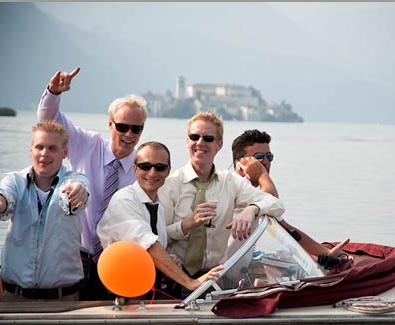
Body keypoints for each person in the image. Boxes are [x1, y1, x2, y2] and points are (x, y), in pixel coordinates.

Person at [37, 66, 148, 300]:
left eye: (136, 129)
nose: (129, 134)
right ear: (110, 125)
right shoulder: (87, 144)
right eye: (122, 127)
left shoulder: (145, 168)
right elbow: (49, 123)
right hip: (77, 258)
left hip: (119, 262)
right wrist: (54, 93)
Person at [158, 112, 285, 296]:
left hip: (216, 279)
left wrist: (252, 209)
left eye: (208, 138)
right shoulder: (170, 185)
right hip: (175, 279)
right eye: (194, 137)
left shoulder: (230, 182)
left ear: (219, 145)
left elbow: (276, 204)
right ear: (187, 141)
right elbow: (159, 238)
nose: (200, 143)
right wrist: (187, 223)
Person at [0, 121, 90, 301]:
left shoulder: (75, 180)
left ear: (65, 153)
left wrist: (77, 192)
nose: (44, 153)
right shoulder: (14, 180)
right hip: (15, 297)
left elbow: (77, 190)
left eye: (52, 148)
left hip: (63, 299)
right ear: (31, 151)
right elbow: (4, 197)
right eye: (39, 147)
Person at [97, 141, 223, 299]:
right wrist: (190, 282)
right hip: (121, 295)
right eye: (145, 166)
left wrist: (171, 262)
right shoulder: (125, 199)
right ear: (135, 169)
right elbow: (149, 245)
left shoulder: (157, 205)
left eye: (160, 167)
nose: (152, 173)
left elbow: (154, 250)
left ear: (168, 170)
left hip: (149, 293)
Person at [231, 129, 348, 260]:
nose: (265, 162)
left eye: (269, 157)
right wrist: (262, 175)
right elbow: (271, 201)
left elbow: (287, 229)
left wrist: (326, 253)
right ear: (239, 163)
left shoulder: (257, 190)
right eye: (258, 157)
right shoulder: (235, 184)